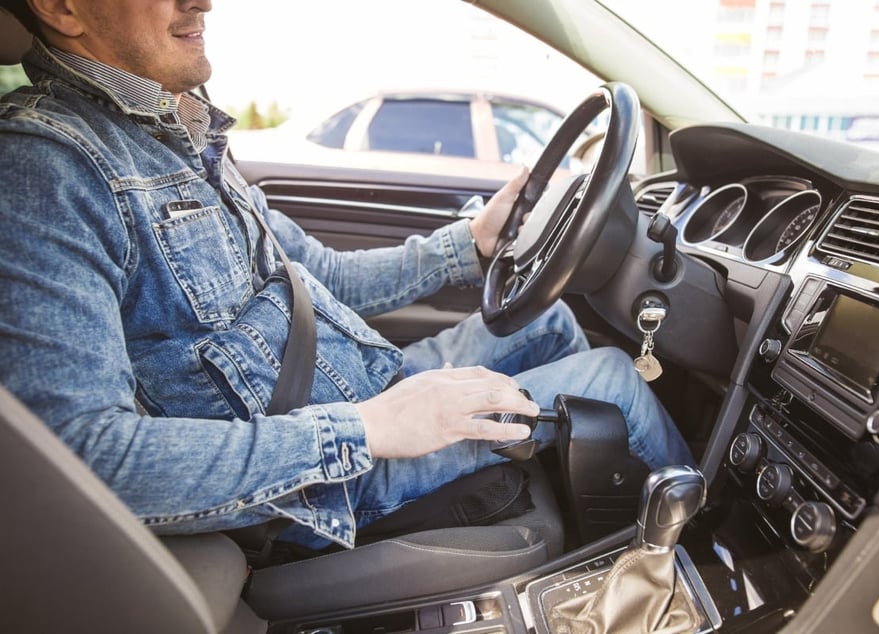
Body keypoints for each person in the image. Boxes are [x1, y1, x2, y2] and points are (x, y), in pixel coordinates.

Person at [0, 0, 693, 552]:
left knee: (545, 319)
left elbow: (321, 276)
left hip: (366, 386)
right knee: (611, 383)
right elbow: (85, 460)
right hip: (318, 480)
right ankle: (697, 553)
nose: (202, 2)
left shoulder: (175, 137)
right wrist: (364, 430)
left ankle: (590, 520)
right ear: (62, 7)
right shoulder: (45, 170)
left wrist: (472, 245)